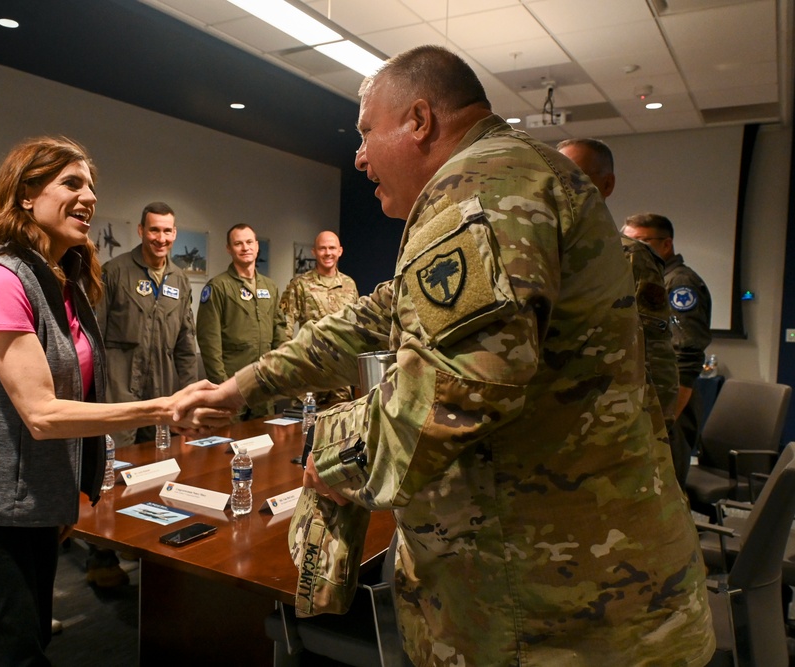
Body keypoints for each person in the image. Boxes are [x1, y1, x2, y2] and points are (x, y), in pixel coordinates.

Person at [175, 46, 713, 666]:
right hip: (609, 588)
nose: (358, 156)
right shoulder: (529, 173)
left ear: (419, 120)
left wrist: (332, 453)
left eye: (365, 132)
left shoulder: (475, 188)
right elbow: (371, 316)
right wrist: (242, 386)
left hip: (544, 612)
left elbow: (448, 398)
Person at [0, 136, 228, 667]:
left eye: (91, 185)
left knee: (34, 643)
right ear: (26, 194)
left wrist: (68, 491)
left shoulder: (64, 281)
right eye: (72, 182)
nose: (89, 196)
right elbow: (43, 414)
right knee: (18, 655)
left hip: (40, 503)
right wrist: (162, 408)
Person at [556, 139, 679, 445]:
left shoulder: (630, 257)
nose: (562, 185)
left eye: (577, 176)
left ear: (607, 184)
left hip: (610, 423)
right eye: (555, 175)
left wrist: (657, 429)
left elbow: (654, 348)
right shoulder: (537, 250)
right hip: (552, 421)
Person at [96, 201, 198, 447]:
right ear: (141, 230)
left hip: (161, 391)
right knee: (117, 457)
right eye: (154, 230)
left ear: (174, 233)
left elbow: (186, 347)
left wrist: (191, 396)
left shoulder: (180, 281)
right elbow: (94, 335)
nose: (160, 238)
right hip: (118, 389)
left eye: (166, 231)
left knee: (157, 456)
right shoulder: (115, 272)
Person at [623, 212, 713, 485]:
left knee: (666, 488)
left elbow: (687, 354)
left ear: (666, 244)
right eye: (626, 241)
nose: (631, 248)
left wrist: (667, 420)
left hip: (673, 400)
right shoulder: (645, 276)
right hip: (651, 398)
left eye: (641, 241)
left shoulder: (678, 283)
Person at [196, 223, 285, 418]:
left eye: (249, 242)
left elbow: (279, 330)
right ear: (229, 248)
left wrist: (279, 372)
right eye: (238, 243)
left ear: (257, 245)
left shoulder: (270, 287)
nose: (245, 248)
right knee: (228, 442)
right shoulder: (219, 287)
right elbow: (209, 340)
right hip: (232, 381)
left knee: (265, 440)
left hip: (263, 381)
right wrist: (220, 385)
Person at [279, 230, 358, 404]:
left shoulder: (349, 284)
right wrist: (289, 366)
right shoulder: (300, 285)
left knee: (340, 423)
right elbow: (284, 327)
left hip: (340, 373)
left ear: (340, 251)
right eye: (322, 248)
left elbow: (356, 326)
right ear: (314, 252)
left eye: (332, 248)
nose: (328, 253)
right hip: (310, 368)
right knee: (304, 424)